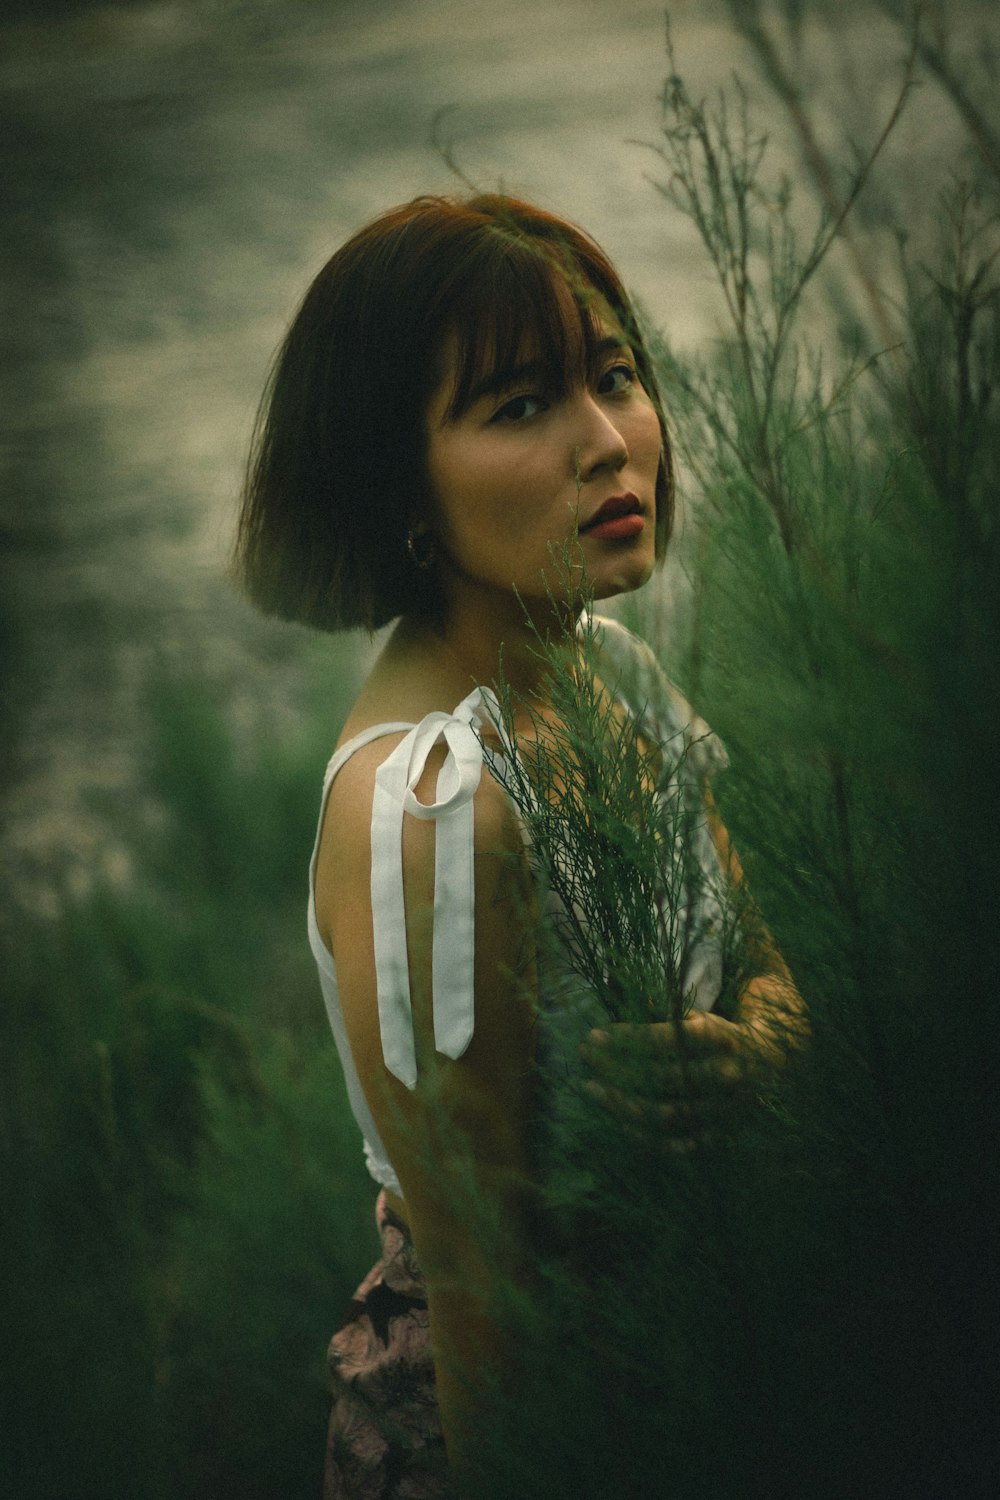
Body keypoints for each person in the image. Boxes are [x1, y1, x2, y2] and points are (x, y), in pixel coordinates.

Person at [235, 193, 805, 1498]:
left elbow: (771, 974)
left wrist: (758, 1051)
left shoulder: (611, 673)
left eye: (614, 377)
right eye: (519, 406)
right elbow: (491, 1314)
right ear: (398, 488)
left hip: (718, 1346)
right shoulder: (432, 811)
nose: (610, 442)